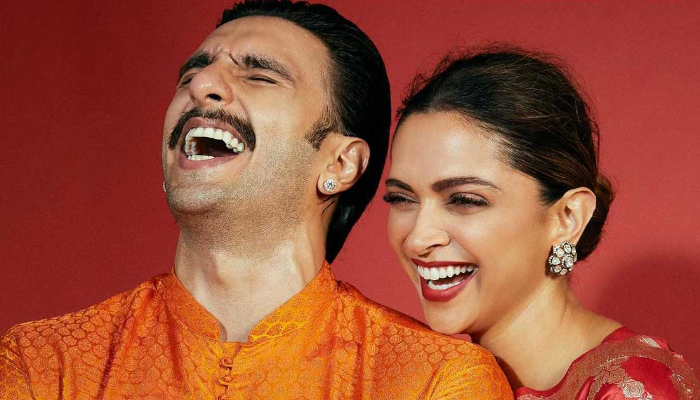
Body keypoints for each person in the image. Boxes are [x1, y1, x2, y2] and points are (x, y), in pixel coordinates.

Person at [0, 2, 512, 399]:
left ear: (339, 165)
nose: (202, 84)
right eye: (190, 75)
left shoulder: (432, 380)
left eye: (259, 76)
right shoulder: (44, 363)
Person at [384, 47, 700, 399]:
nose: (417, 238)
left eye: (465, 200)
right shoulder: (420, 380)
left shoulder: (630, 387)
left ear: (567, 217)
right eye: (402, 199)